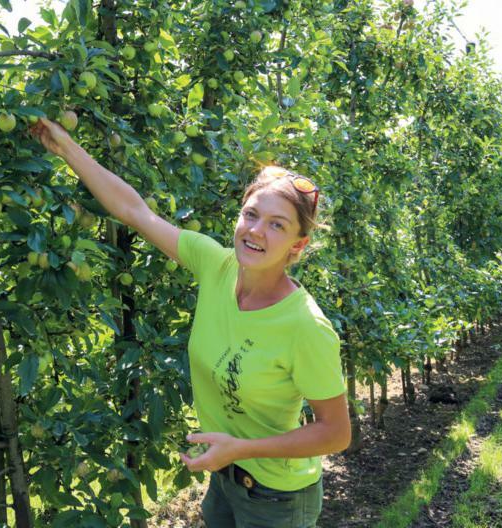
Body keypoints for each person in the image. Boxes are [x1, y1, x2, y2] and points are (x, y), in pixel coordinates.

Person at [29, 117, 350, 528]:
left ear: (297, 246)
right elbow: (134, 210)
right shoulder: (215, 264)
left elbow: (336, 434)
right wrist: (67, 149)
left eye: (277, 225)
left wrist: (241, 449)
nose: (256, 231)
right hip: (226, 475)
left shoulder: (305, 325)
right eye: (251, 214)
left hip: (278, 497)